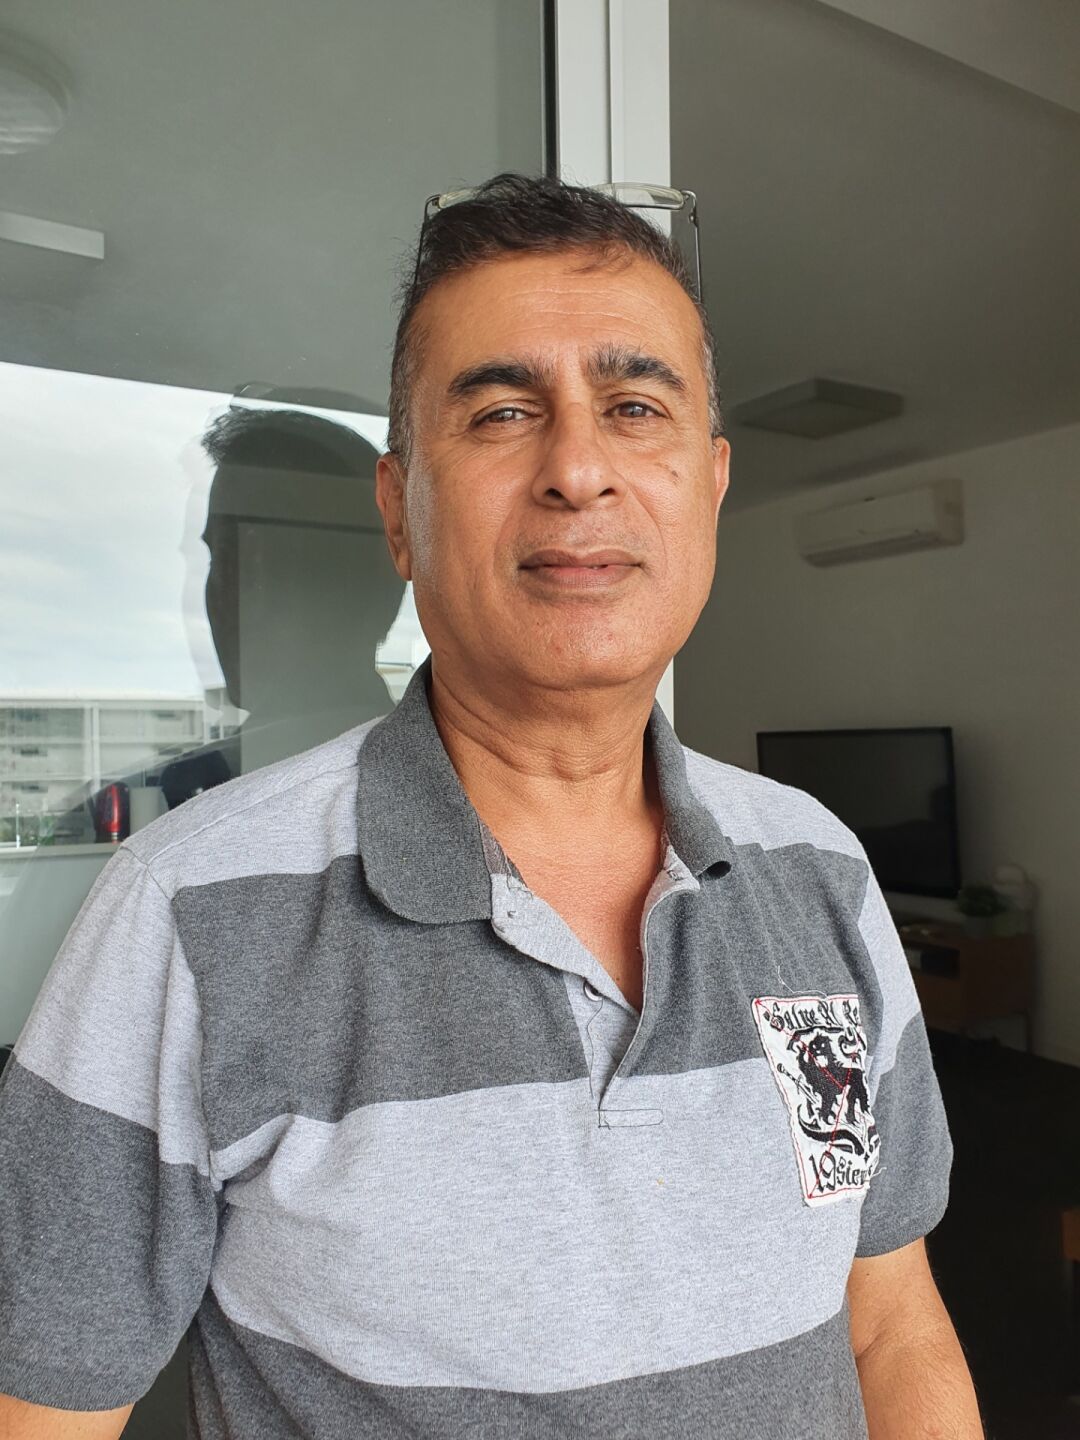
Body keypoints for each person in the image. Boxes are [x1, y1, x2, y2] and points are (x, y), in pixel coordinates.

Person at [0, 173, 981, 1439]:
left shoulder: (818, 869)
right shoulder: (184, 912)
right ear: (399, 515)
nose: (578, 468)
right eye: (504, 412)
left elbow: (890, 1321)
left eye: (635, 407)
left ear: (711, 485)